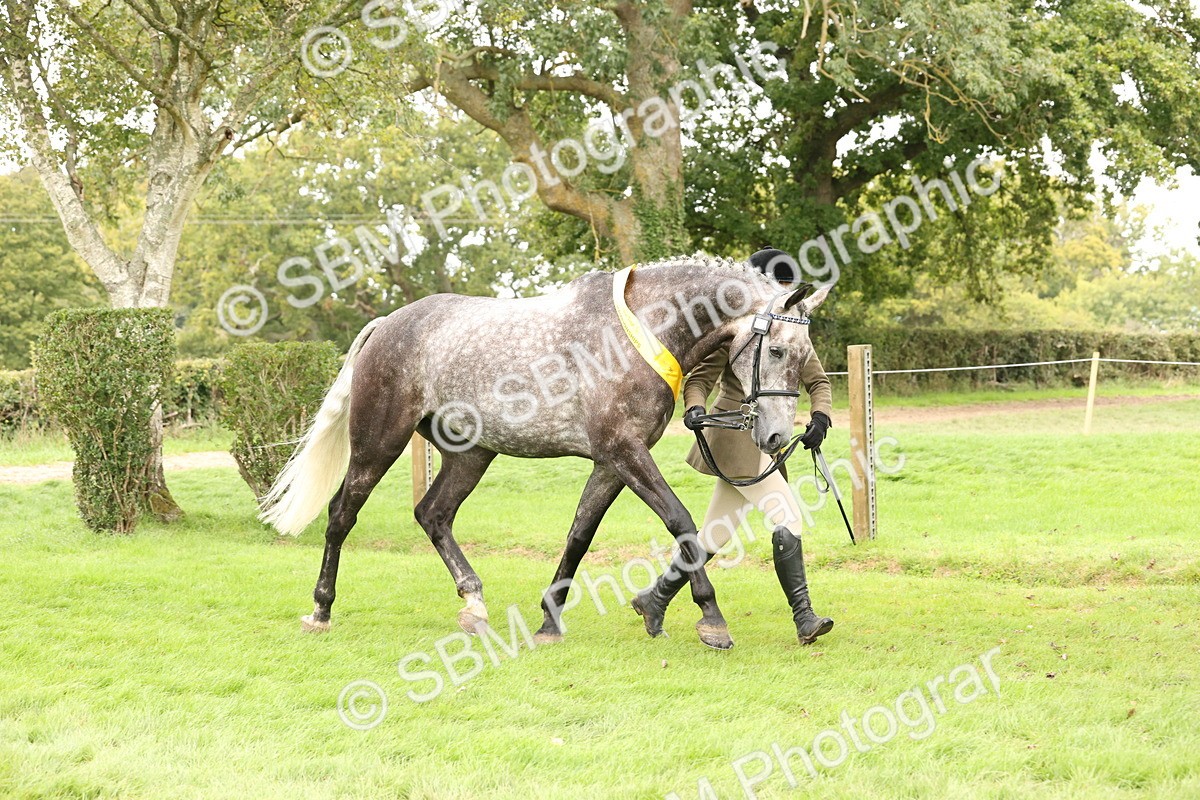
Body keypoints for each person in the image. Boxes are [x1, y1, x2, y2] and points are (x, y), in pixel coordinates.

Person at [634, 248, 835, 645]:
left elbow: (819, 382)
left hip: (770, 442)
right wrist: (693, 408)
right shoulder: (734, 331)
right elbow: (698, 381)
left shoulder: (791, 331)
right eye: (779, 286)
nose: (784, 295)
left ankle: (655, 598)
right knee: (788, 518)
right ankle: (804, 617)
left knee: (714, 535)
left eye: (788, 287)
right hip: (734, 438)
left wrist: (821, 417)